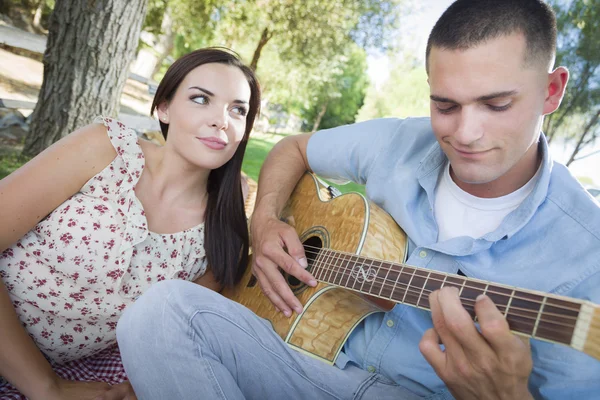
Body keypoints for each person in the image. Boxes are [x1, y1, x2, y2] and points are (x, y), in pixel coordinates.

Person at [116, 1, 600, 399]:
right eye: (445, 105)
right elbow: (293, 148)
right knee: (158, 312)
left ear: (551, 91)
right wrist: (264, 222)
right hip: (307, 360)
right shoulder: (398, 142)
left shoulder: (587, 255)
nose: (466, 133)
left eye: (497, 105)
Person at [0, 47, 261, 400]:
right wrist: (46, 387)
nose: (222, 121)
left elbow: (176, 329)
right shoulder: (106, 150)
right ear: (164, 108)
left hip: (79, 370)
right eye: (201, 99)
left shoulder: (220, 229)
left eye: (238, 110)